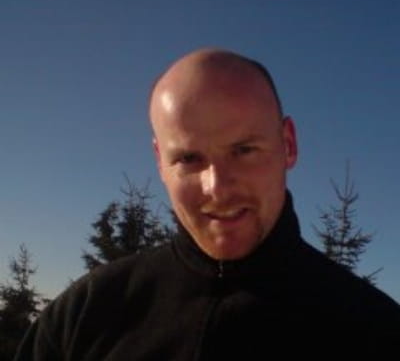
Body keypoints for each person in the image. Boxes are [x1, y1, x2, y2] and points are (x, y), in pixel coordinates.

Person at [15, 48, 400, 360]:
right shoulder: (88, 313)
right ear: (160, 162)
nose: (217, 188)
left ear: (288, 145)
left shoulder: (374, 332)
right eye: (188, 158)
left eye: (244, 150)